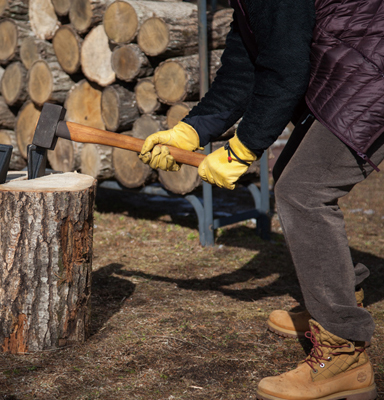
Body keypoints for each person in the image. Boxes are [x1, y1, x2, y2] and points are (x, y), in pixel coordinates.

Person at [139, 0, 383, 399]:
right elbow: (246, 60)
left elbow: (285, 69)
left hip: (371, 68)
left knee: (304, 191)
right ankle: (333, 303)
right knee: (295, 181)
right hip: (358, 61)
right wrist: (192, 130)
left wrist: (242, 149)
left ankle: (344, 354)